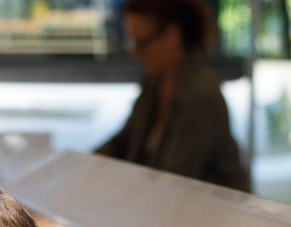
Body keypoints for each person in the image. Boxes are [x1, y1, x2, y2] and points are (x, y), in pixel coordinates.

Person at [96, 0, 250, 192]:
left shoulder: (200, 92)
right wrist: (91, 161)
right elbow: (125, 139)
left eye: (141, 42)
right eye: (131, 43)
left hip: (211, 214)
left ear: (171, 35)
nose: (135, 53)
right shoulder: (154, 81)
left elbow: (175, 177)